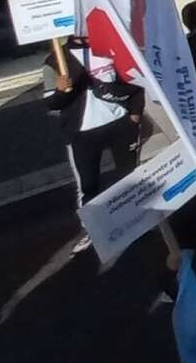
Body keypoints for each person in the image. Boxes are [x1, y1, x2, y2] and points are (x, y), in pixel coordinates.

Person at [48, 31, 144, 255]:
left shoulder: (112, 47)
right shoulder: (55, 61)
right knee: (89, 185)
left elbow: (137, 79)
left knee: (130, 176)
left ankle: (139, 221)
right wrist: (60, 92)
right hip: (82, 133)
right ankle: (93, 229)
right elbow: (51, 103)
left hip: (120, 123)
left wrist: (135, 113)